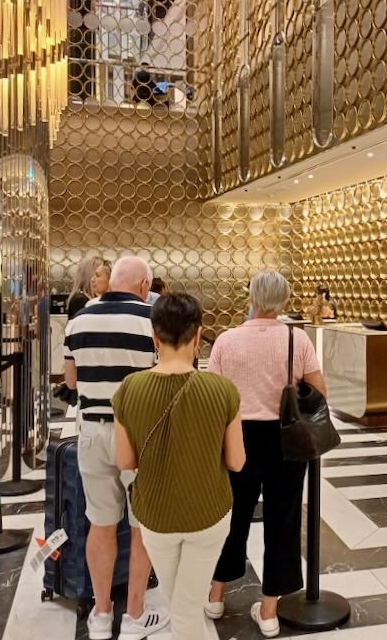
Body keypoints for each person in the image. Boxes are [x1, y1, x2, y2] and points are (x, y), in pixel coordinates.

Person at [113, 293, 246, 640]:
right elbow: (236, 460)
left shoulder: (129, 390)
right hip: (209, 513)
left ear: (155, 338)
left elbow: (125, 461)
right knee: (185, 611)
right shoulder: (223, 390)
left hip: (155, 515)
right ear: (198, 336)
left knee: (180, 606)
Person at [206, 270, 326, 638]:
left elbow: (214, 394)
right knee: (282, 519)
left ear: (252, 297)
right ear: (284, 300)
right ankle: (270, 609)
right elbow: (319, 391)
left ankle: (216, 594)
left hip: (238, 436)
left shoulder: (227, 340)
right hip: (285, 440)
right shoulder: (297, 338)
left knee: (232, 515)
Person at [63, 256, 167, 640]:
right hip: (139, 432)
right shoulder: (152, 321)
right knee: (143, 527)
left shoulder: (79, 320)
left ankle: (102, 615)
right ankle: (136, 616)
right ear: (143, 285)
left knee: (101, 523)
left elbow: (70, 382)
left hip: (92, 431)